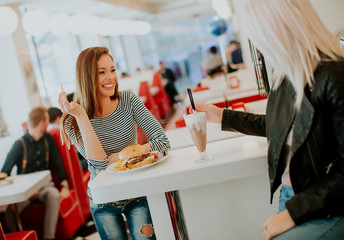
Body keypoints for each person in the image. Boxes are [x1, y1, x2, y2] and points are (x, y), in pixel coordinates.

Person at [192, 0, 344, 239]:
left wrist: (293, 212)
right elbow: (277, 127)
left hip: (328, 207)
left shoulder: (334, 76)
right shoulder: (285, 76)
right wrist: (222, 115)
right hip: (292, 195)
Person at [58, 47, 170, 240]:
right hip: (103, 200)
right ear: (86, 77)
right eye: (102, 72)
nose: (111, 77)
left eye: (112, 69)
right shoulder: (72, 120)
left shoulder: (129, 100)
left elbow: (162, 141)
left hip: (137, 192)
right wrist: (82, 116)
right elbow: (101, 165)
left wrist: (124, 156)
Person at [0, 106, 70, 240]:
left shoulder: (48, 139)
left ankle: (48, 238)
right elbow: (4, 172)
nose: (48, 124)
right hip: (25, 192)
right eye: (47, 120)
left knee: (53, 195)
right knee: (9, 212)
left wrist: (65, 186)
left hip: (45, 188)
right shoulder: (19, 145)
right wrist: (21, 190)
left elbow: (58, 163)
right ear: (42, 123)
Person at [48, 106, 88, 171]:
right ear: (58, 118)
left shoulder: (50, 132)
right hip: (73, 163)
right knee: (92, 160)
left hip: (65, 163)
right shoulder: (62, 128)